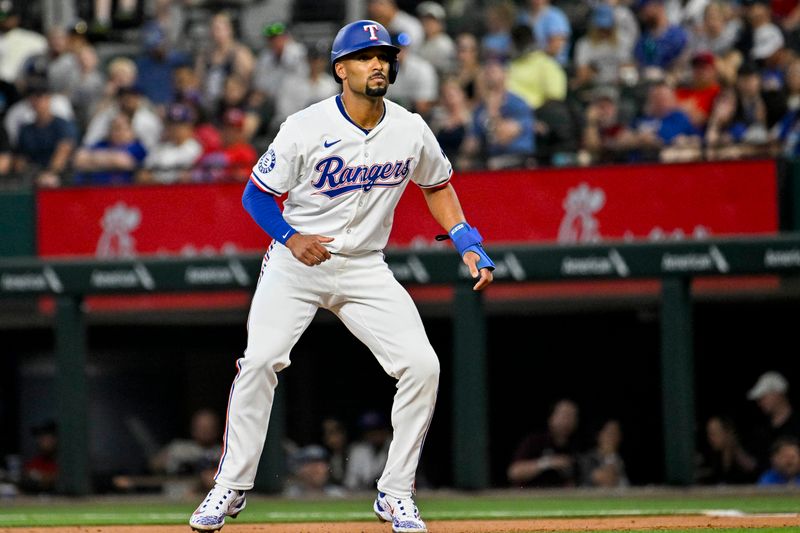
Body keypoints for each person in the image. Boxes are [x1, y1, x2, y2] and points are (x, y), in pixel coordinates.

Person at [188, 19, 494, 533]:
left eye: (385, 56)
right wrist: (290, 237)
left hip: (365, 266)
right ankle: (231, 486)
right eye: (366, 56)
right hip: (295, 263)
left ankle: (395, 493)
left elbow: (437, 184)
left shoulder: (410, 127)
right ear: (340, 69)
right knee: (260, 360)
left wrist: (468, 241)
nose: (379, 63)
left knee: (423, 366)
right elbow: (256, 195)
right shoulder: (305, 126)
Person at [461, 60, 536, 170]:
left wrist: (493, 112)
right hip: (491, 158)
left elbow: (503, 137)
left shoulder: (517, 103)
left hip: (519, 158)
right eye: (486, 72)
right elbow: (471, 143)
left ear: (505, 74)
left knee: (492, 165)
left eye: (493, 71)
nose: (488, 75)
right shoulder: (480, 109)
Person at [13, 79, 78, 187]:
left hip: (61, 176)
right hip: (32, 175)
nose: (35, 101)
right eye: (31, 97)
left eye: (39, 96)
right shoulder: (26, 129)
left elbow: (63, 152)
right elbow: (20, 159)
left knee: (51, 181)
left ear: (48, 98)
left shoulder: (62, 125)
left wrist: (50, 173)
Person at [507, 399, 581, 488]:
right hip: (529, 497)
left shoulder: (576, 447)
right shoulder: (534, 441)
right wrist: (548, 463)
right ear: (551, 418)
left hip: (559, 498)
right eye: (564, 415)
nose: (567, 420)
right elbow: (514, 472)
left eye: (572, 416)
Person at [71, 112, 147, 185]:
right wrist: (110, 159)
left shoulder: (138, 147)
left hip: (125, 191)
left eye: (119, 128)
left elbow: (121, 161)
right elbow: (79, 158)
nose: (116, 132)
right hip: (94, 190)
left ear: (131, 130)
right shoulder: (102, 144)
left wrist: (93, 160)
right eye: (113, 128)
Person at [139, 102, 203, 184]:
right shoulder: (160, 148)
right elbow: (142, 175)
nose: (175, 129)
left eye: (180, 125)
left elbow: (189, 178)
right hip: (158, 192)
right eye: (172, 124)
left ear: (190, 126)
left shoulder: (197, 149)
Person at [747, 371, 800, 467]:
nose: (760, 402)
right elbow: (757, 464)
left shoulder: (797, 423)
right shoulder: (762, 429)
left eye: (764, 396)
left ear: (778, 393)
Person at [696, 415, 758, 484]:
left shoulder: (743, 451)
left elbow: (753, 468)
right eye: (709, 434)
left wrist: (734, 449)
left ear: (727, 432)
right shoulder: (711, 456)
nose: (711, 438)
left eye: (714, 433)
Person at [344, 410, 393, 491]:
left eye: (377, 429)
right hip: (362, 494)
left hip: (391, 493)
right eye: (370, 431)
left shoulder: (395, 446)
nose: (374, 434)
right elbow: (350, 482)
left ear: (385, 430)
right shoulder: (357, 451)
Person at [517, 0, 572, 66]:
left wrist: (533, 56)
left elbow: (556, 48)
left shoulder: (556, 16)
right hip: (526, 64)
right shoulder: (522, 17)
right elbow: (517, 43)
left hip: (553, 64)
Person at [578, 419, 628, 488]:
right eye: (609, 433)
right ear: (599, 435)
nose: (612, 437)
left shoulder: (619, 458)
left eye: (616, 433)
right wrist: (609, 455)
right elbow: (608, 481)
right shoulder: (589, 459)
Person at [415, 2, 456, 77]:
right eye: (425, 20)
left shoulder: (444, 44)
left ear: (440, 24)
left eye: (432, 21)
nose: (427, 23)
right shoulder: (420, 40)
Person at [20, 420, 58, 494]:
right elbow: (26, 475)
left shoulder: (63, 459)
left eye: (46, 438)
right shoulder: (38, 459)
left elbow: (58, 478)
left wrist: (44, 478)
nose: (41, 441)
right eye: (40, 438)